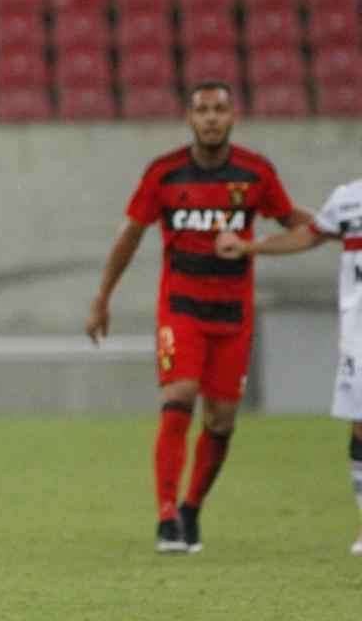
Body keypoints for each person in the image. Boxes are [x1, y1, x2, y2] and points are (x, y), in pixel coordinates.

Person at [84, 81, 312, 554]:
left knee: (222, 420)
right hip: (181, 308)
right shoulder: (165, 174)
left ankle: (191, 509)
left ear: (234, 118)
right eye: (202, 110)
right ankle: (166, 516)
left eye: (220, 109)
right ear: (189, 119)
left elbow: (300, 227)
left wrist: (254, 245)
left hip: (233, 314)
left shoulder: (255, 174)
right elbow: (130, 236)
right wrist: (102, 296)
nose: (211, 118)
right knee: (179, 395)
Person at [216, 177, 362, 555]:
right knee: (361, 426)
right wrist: (249, 246)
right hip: (359, 334)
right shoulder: (347, 199)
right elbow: (309, 235)